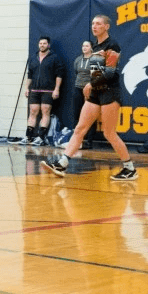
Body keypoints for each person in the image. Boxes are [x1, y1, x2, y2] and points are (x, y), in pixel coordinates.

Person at [43, 24, 137, 181]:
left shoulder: (112, 45)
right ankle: (62, 163)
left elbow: (110, 72)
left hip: (109, 92)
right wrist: (92, 85)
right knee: (80, 128)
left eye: (98, 24)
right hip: (96, 92)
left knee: (109, 133)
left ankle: (129, 168)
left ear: (106, 26)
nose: (94, 26)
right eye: (93, 24)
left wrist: (91, 84)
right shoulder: (96, 47)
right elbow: (97, 73)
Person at [11, 37, 64, 146]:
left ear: (48, 45)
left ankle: (40, 137)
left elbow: (59, 74)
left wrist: (56, 89)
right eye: (40, 43)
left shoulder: (54, 57)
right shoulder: (33, 57)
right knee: (33, 112)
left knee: (45, 111)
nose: (42, 45)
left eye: (44, 43)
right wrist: (27, 88)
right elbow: (30, 74)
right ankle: (28, 137)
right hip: (34, 90)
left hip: (48, 90)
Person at [69, 41, 104, 149]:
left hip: (90, 90)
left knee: (90, 115)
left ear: (91, 48)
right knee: (77, 114)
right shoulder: (78, 59)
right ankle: (77, 141)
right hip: (78, 88)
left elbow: (97, 77)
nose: (84, 47)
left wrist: (90, 87)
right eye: (83, 46)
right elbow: (76, 72)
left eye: (87, 46)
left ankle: (89, 141)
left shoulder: (95, 59)